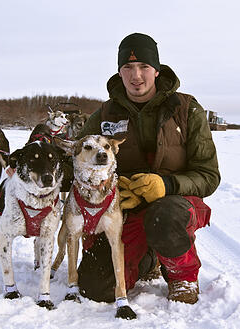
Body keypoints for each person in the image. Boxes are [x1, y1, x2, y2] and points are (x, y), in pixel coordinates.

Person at [74, 32, 220, 304]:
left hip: (177, 204)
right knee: (97, 287)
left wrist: (165, 185)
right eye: (127, 67)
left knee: (163, 216)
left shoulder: (187, 109)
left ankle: (182, 275)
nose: (136, 75)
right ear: (119, 72)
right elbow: (74, 157)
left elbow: (209, 176)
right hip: (126, 207)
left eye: (143, 67)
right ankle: (148, 258)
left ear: (156, 70)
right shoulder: (105, 114)